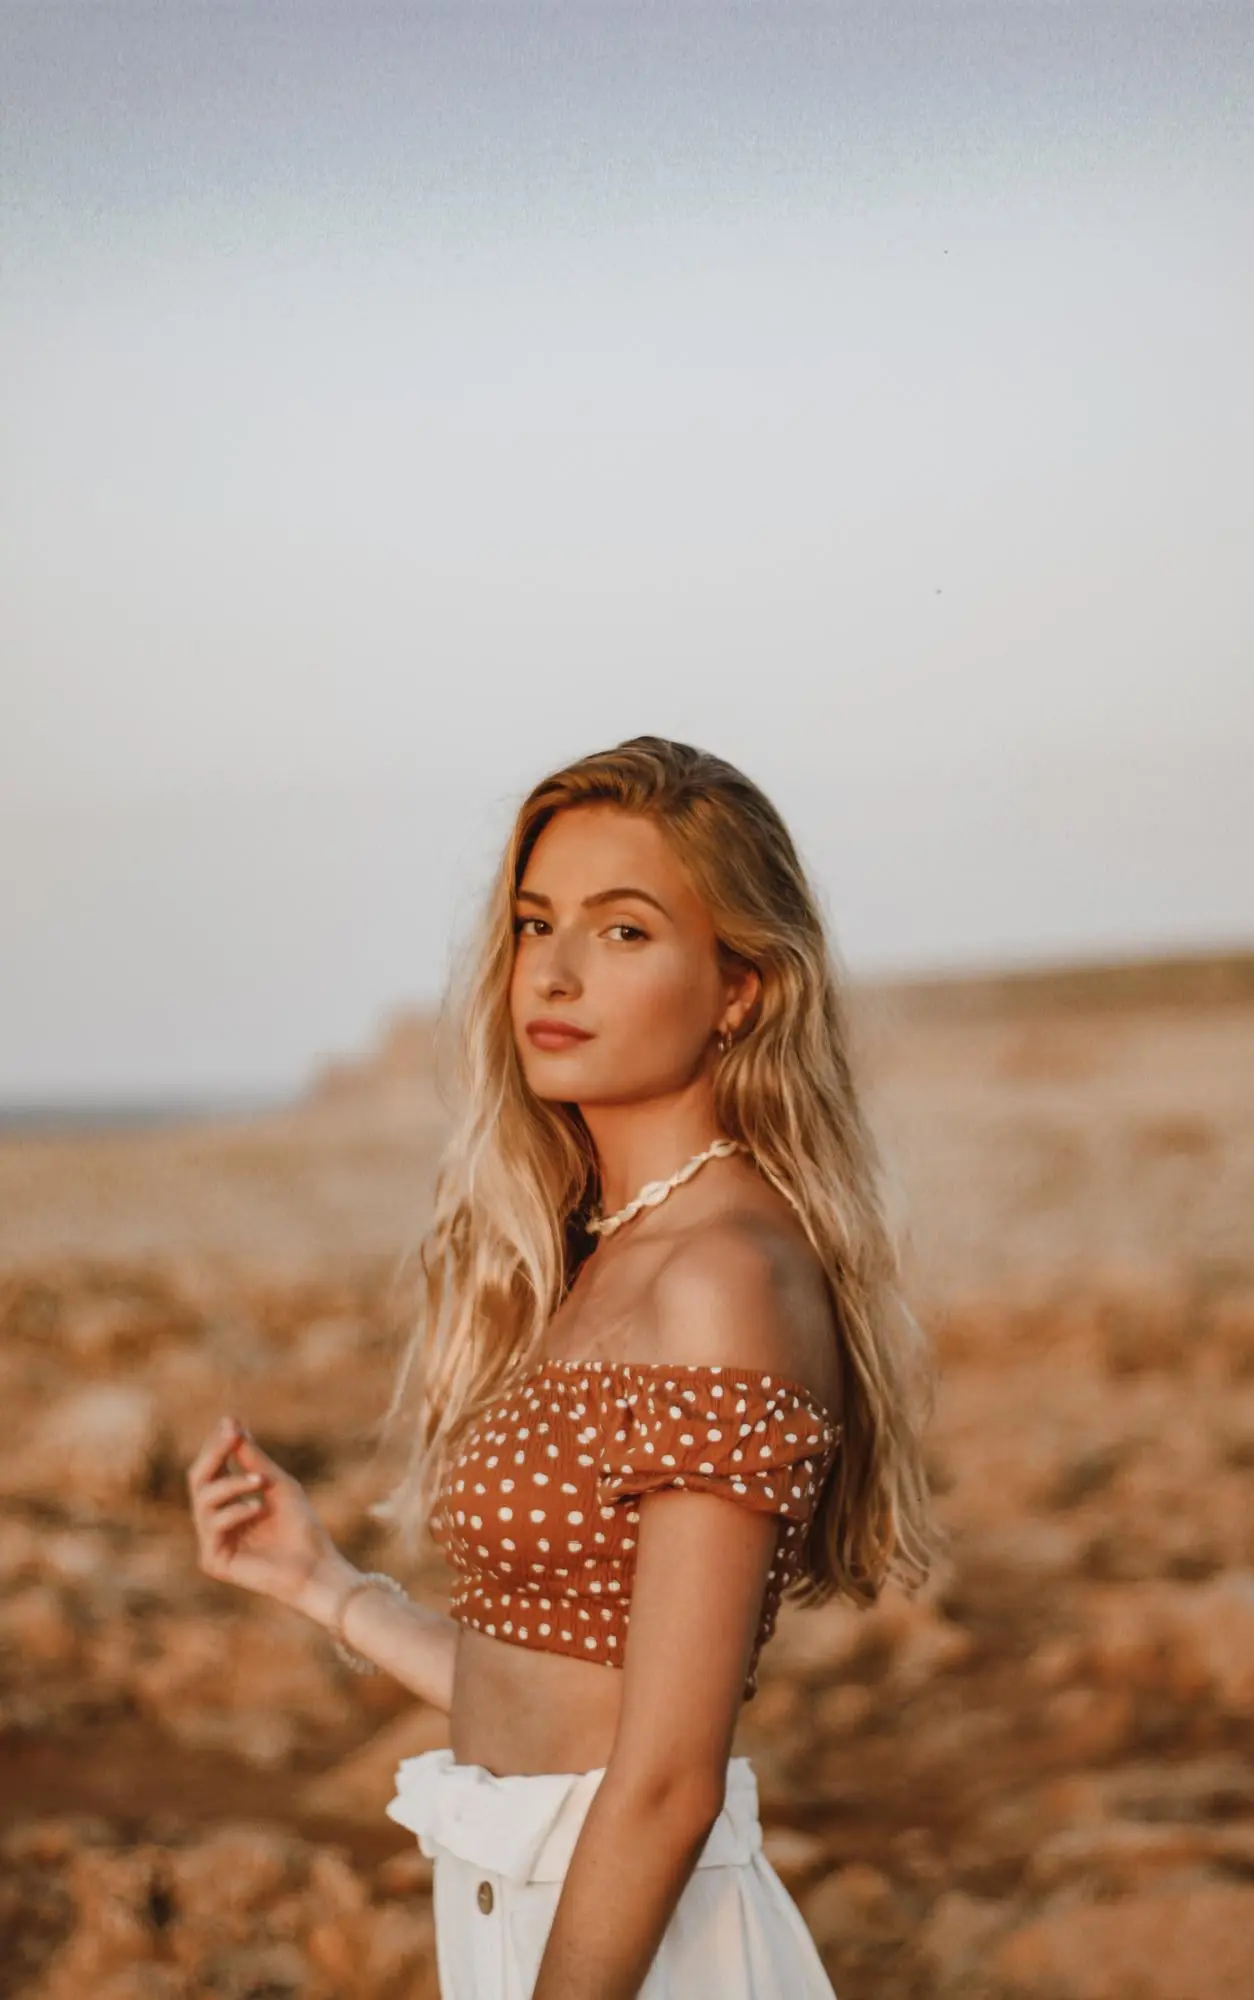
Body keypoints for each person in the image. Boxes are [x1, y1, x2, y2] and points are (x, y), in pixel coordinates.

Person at [188, 735, 940, 1999]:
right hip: (528, 1916)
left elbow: (661, 1780)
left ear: (741, 985)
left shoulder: (721, 1276)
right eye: (537, 922)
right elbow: (555, 1688)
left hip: (646, 1949)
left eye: (626, 931)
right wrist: (325, 1586)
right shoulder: (603, 1255)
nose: (558, 968)